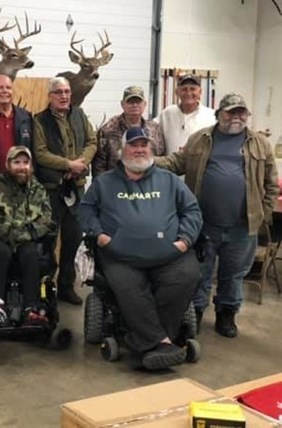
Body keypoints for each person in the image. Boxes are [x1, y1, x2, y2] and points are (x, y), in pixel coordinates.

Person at [156, 93, 279, 338]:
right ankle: (197, 311)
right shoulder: (200, 140)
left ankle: (227, 314)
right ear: (219, 114)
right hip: (203, 224)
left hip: (242, 226)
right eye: (231, 112)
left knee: (233, 275)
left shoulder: (260, 144)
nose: (236, 117)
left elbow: (271, 184)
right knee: (200, 272)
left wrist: (262, 213)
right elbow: (176, 162)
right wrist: (147, 160)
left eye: (241, 112)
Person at [79, 127, 203, 370]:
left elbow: (192, 211)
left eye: (144, 145)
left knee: (188, 275)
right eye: (133, 145)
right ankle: (160, 342)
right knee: (129, 286)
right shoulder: (104, 183)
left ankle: (145, 341)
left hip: (169, 255)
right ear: (122, 150)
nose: (139, 150)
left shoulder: (169, 180)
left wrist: (185, 240)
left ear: (152, 150)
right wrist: (100, 235)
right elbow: (85, 210)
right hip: (120, 256)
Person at [0, 146, 55, 328]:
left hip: (27, 240)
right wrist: (4, 230)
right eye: (17, 162)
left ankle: (31, 309)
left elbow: (46, 219)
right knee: (2, 252)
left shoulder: (37, 189)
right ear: (8, 164)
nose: (21, 167)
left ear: (31, 166)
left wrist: (28, 233)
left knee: (30, 253)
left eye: (25, 163)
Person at [32, 76, 97, 305]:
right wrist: (68, 165)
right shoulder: (39, 120)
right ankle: (45, 288)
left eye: (67, 91)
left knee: (72, 239)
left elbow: (92, 141)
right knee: (47, 240)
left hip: (76, 190)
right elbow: (39, 153)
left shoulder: (79, 115)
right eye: (58, 92)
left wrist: (81, 162)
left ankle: (66, 287)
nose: (64, 96)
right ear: (50, 96)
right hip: (51, 190)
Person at [93, 85, 164, 177]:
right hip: (116, 183)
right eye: (130, 102)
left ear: (145, 104)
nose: (135, 105)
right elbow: (99, 164)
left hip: (148, 184)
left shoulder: (155, 129)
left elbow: (161, 158)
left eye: (138, 102)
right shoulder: (108, 130)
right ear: (122, 104)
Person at [156, 74, 215, 154]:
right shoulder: (167, 113)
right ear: (177, 92)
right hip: (171, 165)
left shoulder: (212, 116)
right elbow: (150, 128)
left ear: (200, 92)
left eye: (192, 89)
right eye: (184, 89)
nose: (188, 93)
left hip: (200, 165)